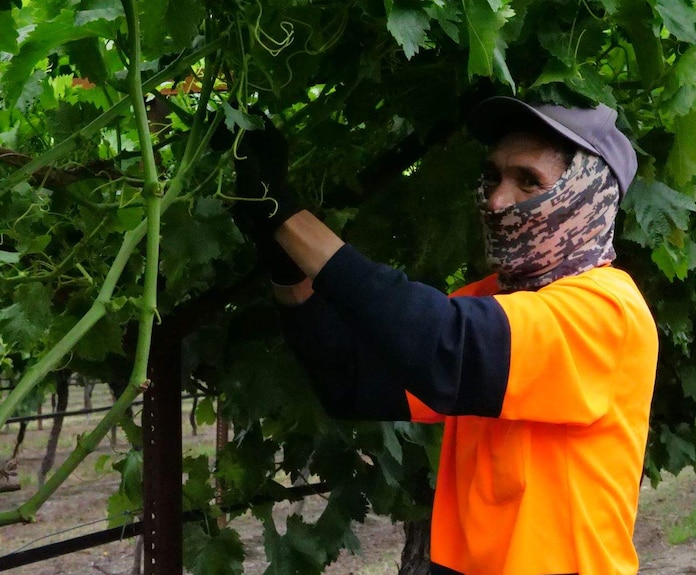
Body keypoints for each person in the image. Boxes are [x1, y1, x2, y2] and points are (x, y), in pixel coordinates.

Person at [232, 96, 659, 575]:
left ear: (587, 195)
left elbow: (443, 346)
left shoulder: (606, 309)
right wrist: (286, 263)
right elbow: (350, 380)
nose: (497, 201)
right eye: (493, 176)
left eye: (528, 180)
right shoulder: (494, 300)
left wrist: (285, 214)